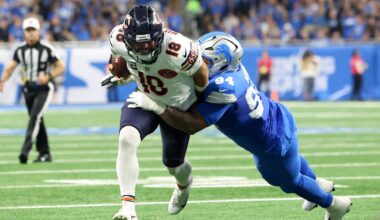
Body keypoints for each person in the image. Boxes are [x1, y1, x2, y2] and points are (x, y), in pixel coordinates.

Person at [127, 32, 352, 220]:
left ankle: (333, 205)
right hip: (279, 117)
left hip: (269, 143)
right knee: (294, 161)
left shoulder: (221, 87)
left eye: (204, 60)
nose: (197, 61)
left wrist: (156, 106)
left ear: (218, 63)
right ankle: (316, 185)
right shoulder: (232, 69)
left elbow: (191, 125)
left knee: (289, 180)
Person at [107, 5, 209, 220]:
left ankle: (184, 184)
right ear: (127, 39)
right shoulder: (117, 38)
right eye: (138, 44)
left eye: (149, 43)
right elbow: (119, 58)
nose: (144, 49)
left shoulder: (179, 48)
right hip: (144, 95)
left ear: (159, 36)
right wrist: (121, 73)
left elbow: (202, 72)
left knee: (174, 165)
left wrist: (196, 98)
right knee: (127, 138)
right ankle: (128, 208)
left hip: (177, 106)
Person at [0, 17, 65, 164]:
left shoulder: (47, 48)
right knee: (37, 120)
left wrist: (48, 76)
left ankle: (25, 150)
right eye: (28, 30)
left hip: (43, 89)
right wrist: (2, 80)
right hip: (28, 89)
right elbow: (10, 67)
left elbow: (60, 66)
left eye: (33, 30)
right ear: (24, 32)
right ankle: (45, 153)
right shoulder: (20, 50)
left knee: (34, 117)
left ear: (38, 31)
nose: (30, 34)